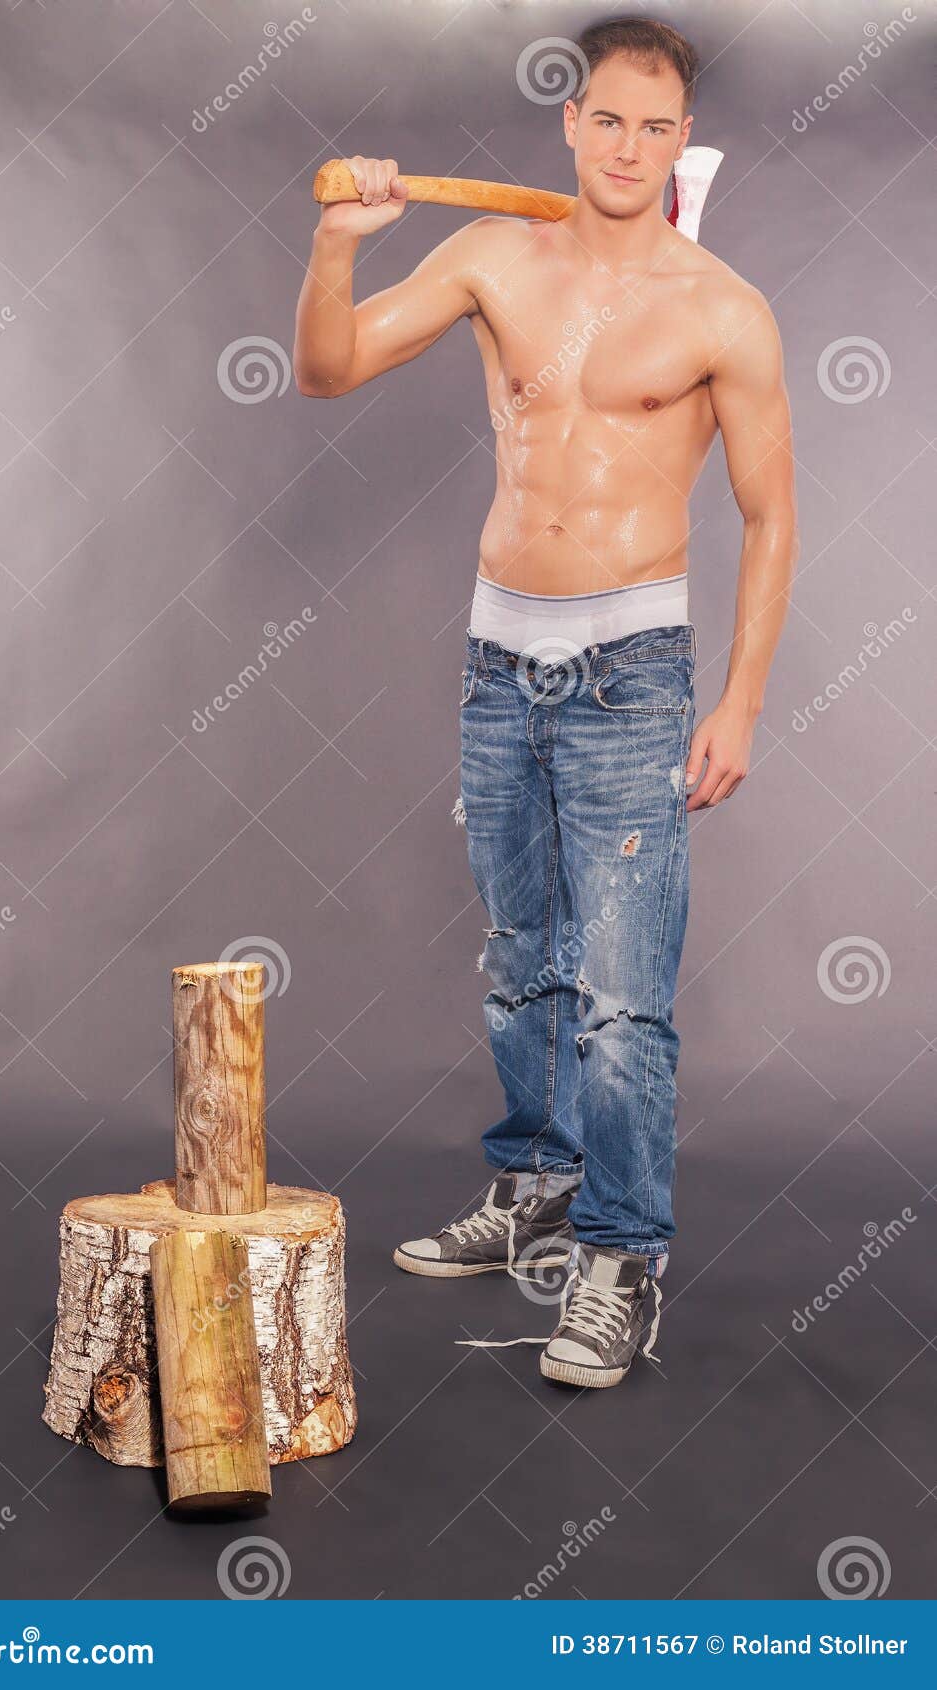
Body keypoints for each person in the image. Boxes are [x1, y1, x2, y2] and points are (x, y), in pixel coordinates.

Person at [293, 16, 797, 1389]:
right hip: (498, 658)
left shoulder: (721, 307)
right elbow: (327, 367)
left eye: (658, 125)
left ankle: (621, 1258)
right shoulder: (490, 257)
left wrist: (740, 698)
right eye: (609, 120)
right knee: (522, 951)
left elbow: (770, 515)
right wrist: (344, 242)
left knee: (626, 998)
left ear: (680, 140)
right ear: (568, 125)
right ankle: (538, 1180)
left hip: (636, 672)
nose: (631, 146)